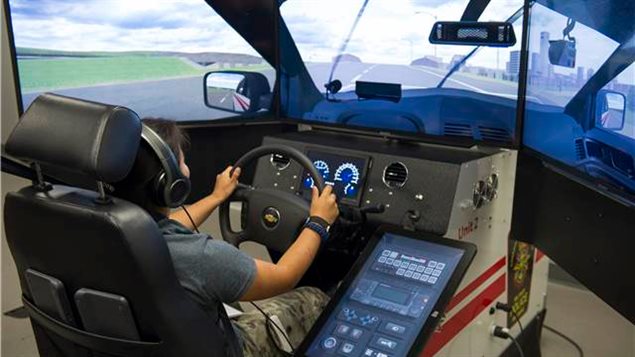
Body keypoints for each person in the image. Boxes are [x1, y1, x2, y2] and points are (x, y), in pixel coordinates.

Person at [114, 118, 339, 356]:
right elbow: (284, 276)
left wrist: (215, 198)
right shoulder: (199, 257)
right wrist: (318, 222)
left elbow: (167, 227)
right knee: (313, 297)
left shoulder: (108, 233)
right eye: (181, 161)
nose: (186, 169)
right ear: (169, 183)